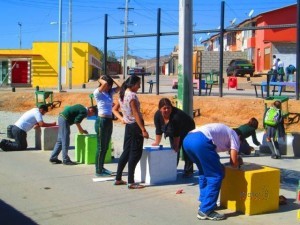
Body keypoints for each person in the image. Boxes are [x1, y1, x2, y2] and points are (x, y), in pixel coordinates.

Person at [183, 123, 243, 221]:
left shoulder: (224, 132)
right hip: (201, 141)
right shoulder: (235, 135)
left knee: (204, 172)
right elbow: (234, 163)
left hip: (188, 140)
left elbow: (212, 157)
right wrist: (239, 160)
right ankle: (206, 210)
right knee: (216, 176)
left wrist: (220, 166)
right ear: (240, 137)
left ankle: (204, 202)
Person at [112, 75, 149, 189]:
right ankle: (131, 181)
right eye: (138, 84)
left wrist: (122, 118)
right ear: (132, 84)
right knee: (135, 153)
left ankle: (118, 178)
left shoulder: (122, 95)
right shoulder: (132, 95)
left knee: (126, 152)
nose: (139, 86)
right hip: (135, 126)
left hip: (128, 126)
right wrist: (143, 129)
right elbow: (136, 113)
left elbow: (114, 109)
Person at [152, 98, 195, 178]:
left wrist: (176, 146)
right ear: (160, 109)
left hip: (187, 127)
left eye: (169, 108)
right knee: (174, 150)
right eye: (164, 108)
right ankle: (172, 169)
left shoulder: (176, 116)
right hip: (174, 131)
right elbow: (158, 130)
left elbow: (176, 134)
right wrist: (156, 143)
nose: (167, 110)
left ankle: (188, 171)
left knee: (185, 149)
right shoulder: (157, 116)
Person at [93, 75, 121, 176]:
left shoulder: (109, 93)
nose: (109, 87)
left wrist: (113, 79)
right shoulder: (97, 92)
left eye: (110, 85)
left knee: (105, 146)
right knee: (100, 147)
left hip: (109, 120)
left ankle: (102, 167)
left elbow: (121, 87)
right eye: (108, 85)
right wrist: (99, 78)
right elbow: (104, 83)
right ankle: (98, 170)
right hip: (101, 120)